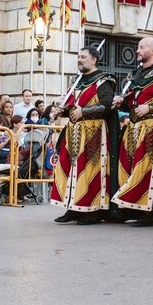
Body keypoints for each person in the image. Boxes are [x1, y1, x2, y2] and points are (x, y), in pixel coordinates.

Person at [51, 45, 117, 225]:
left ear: (94, 60)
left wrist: (84, 112)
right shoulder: (77, 80)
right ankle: (73, 208)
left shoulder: (104, 79)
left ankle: (93, 210)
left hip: (94, 132)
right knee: (72, 169)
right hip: (74, 132)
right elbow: (71, 105)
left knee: (91, 171)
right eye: (78, 57)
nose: (79, 60)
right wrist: (61, 111)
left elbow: (106, 105)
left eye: (83, 57)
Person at [112, 37, 153, 226]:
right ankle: (131, 207)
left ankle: (149, 211)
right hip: (132, 127)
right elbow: (130, 99)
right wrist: (120, 101)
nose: (137, 50)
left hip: (151, 126)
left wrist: (150, 108)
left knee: (147, 169)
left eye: (141, 47)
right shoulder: (133, 75)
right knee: (127, 168)